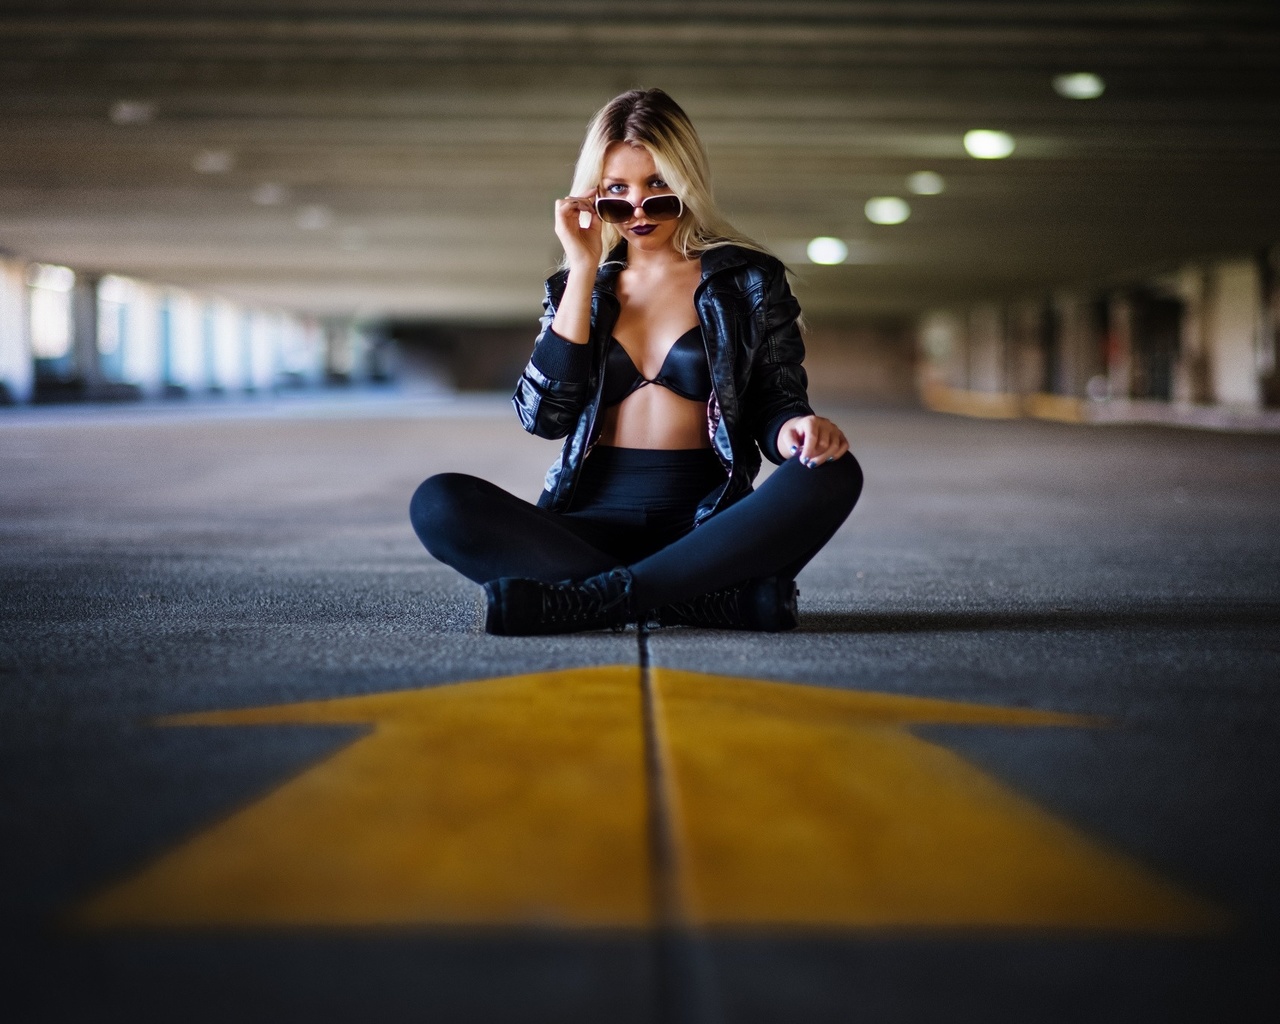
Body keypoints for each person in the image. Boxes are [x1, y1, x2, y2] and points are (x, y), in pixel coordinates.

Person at [410, 88, 862, 636]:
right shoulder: (575, 289)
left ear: (687, 183)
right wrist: (581, 269)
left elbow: (777, 401)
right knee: (438, 502)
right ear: (593, 198)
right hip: (586, 525)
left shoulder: (748, 280)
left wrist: (798, 431)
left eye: (658, 189)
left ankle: (598, 599)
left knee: (834, 472)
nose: (640, 211)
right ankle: (696, 600)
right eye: (617, 194)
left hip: (712, 528)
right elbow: (544, 417)